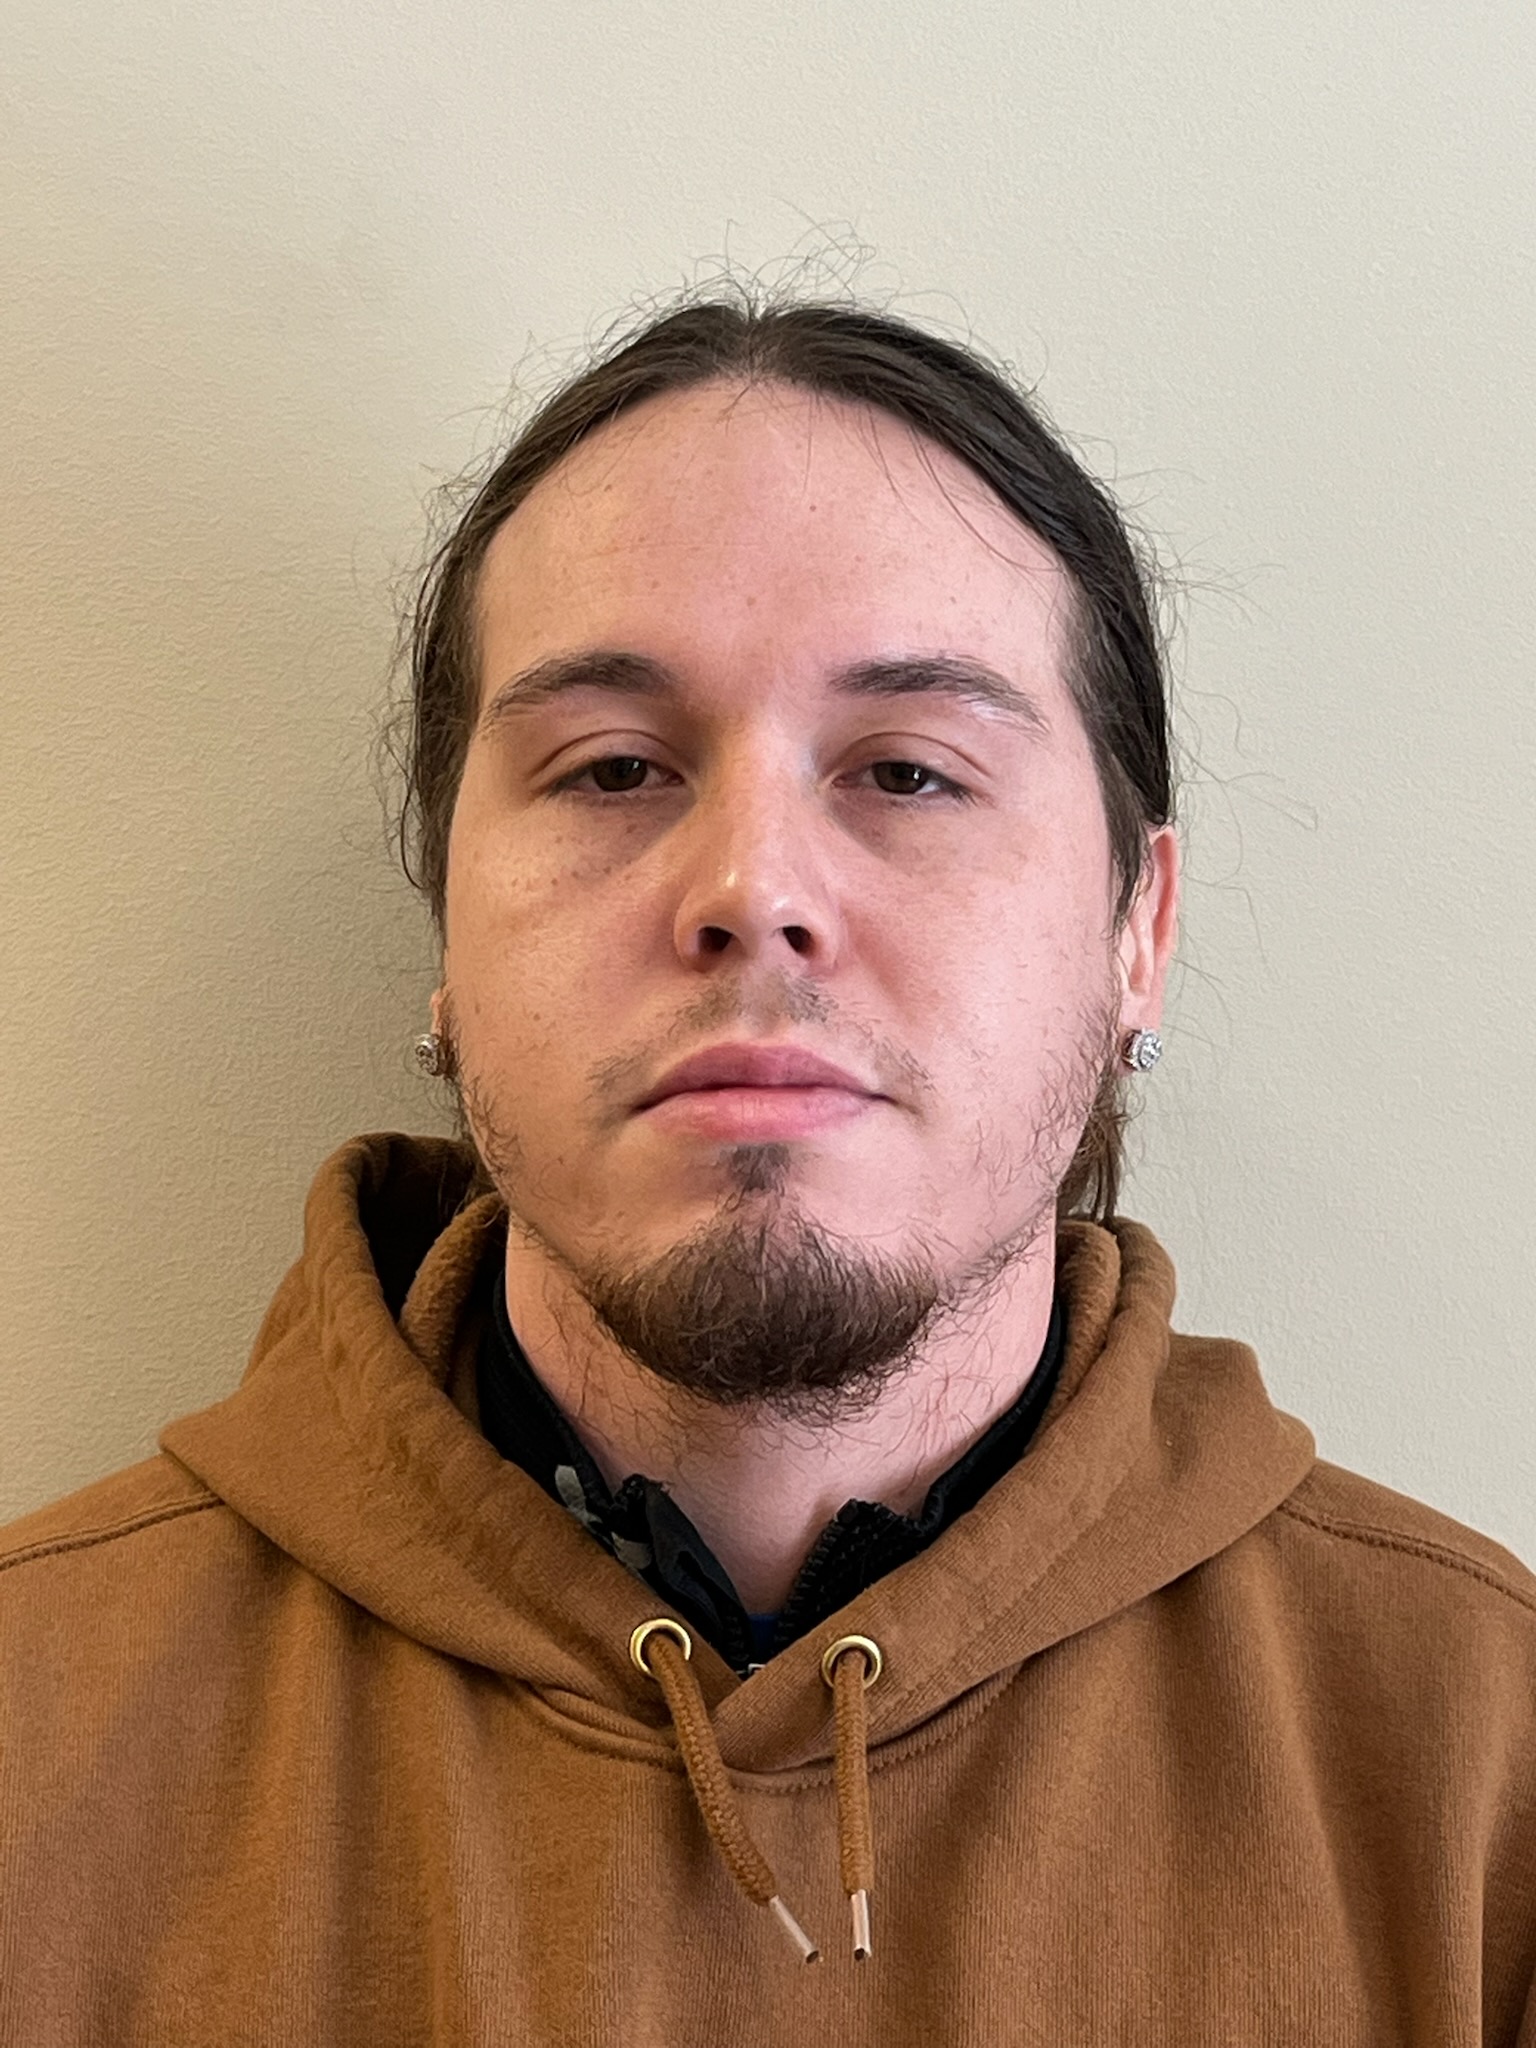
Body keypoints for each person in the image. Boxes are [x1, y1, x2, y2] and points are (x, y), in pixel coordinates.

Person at [2, 292, 1533, 2047]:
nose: (752, 889)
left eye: (911, 772)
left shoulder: (1485, 1771)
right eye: (612, 769)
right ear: (446, 943)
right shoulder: (34, 1734)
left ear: (1140, 933)